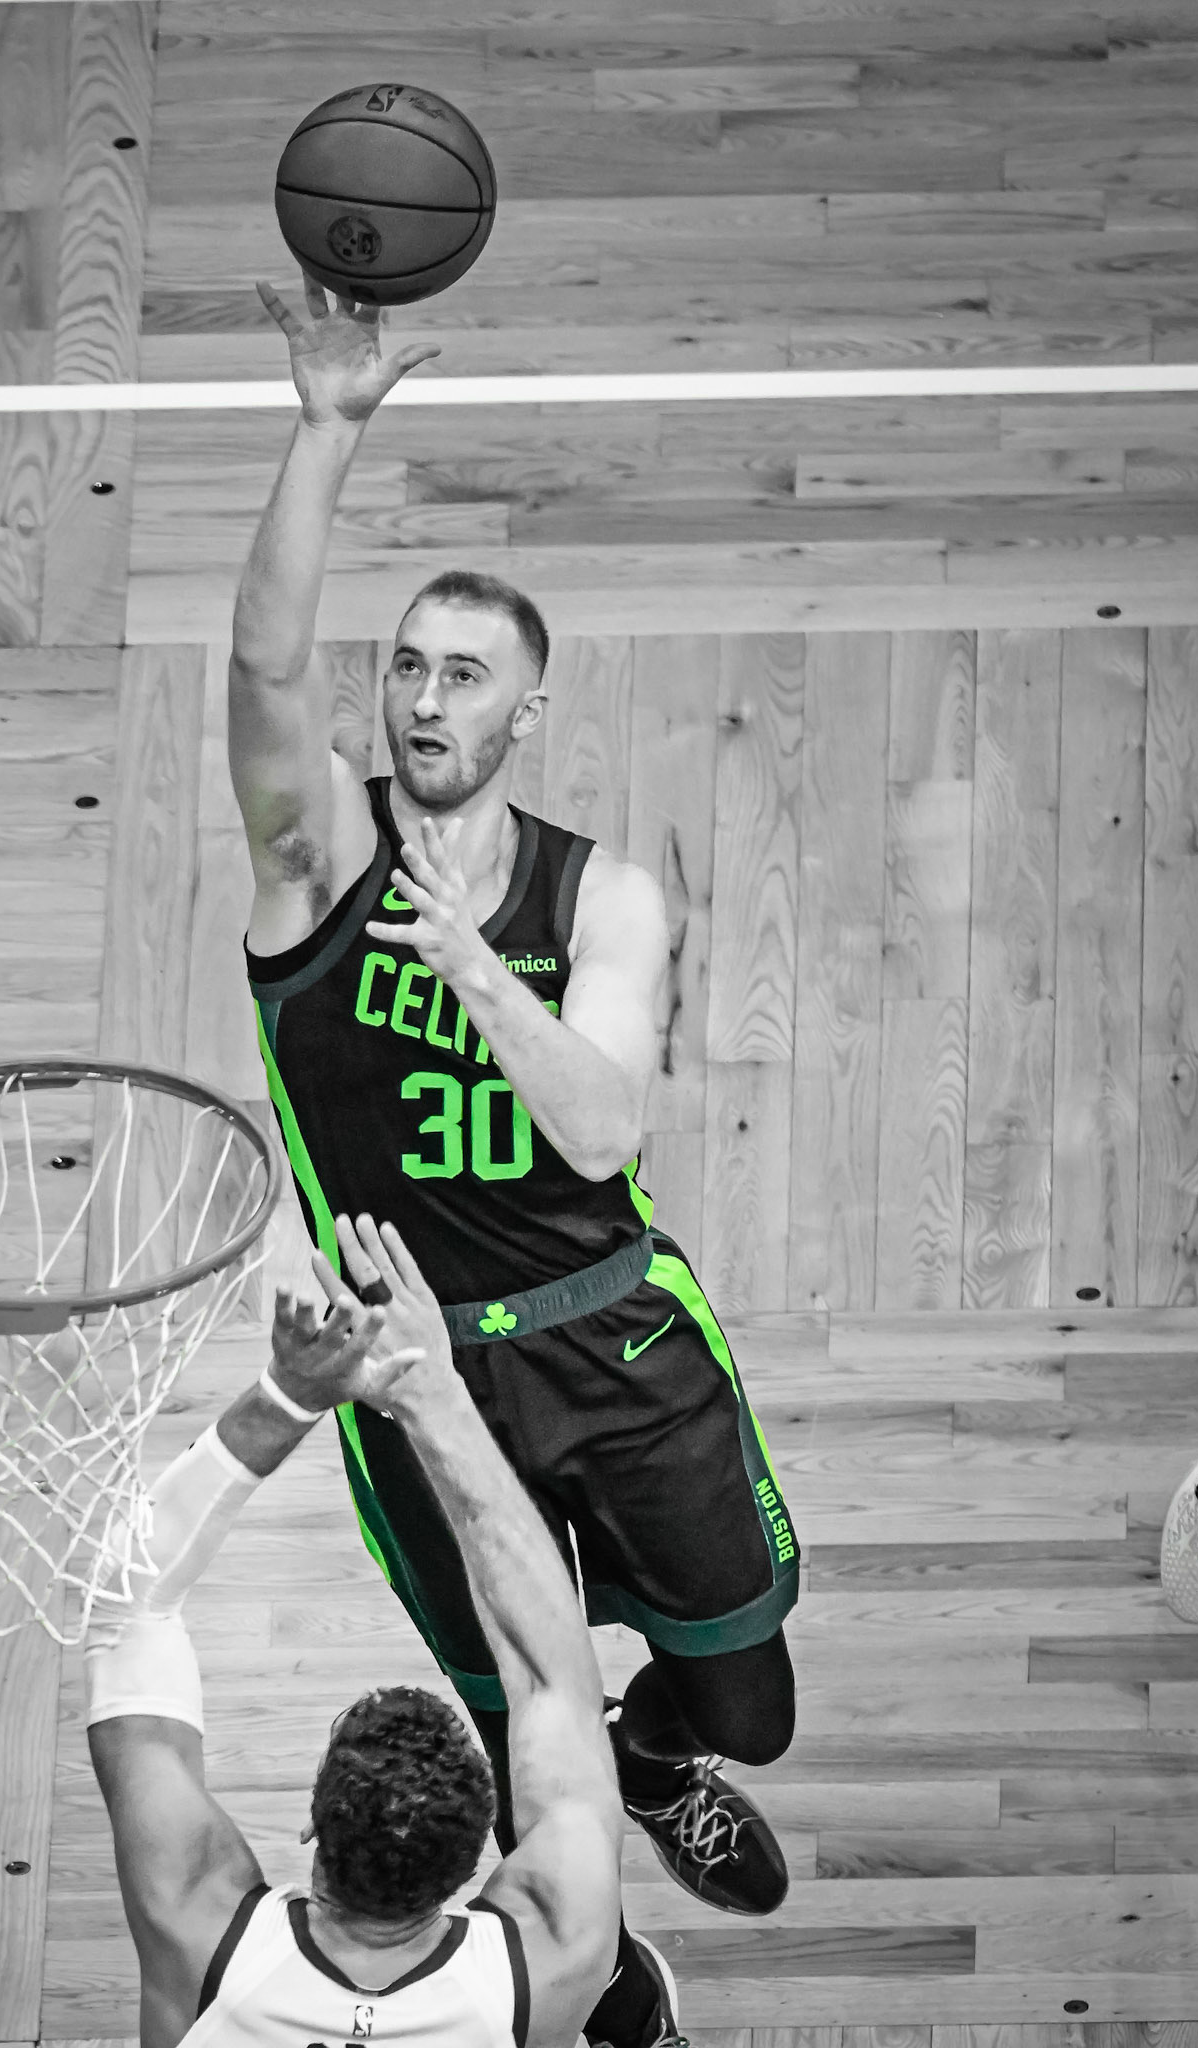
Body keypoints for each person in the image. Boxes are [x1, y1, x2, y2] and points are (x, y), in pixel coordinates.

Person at [224, 277, 801, 2025]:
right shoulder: (315, 862)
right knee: (499, 1731)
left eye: (461, 674)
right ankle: (598, 1974)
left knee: (750, 1703)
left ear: (520, 715)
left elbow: (605, 1123)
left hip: (613, 1330)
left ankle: (655, 1761)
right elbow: (259, 672)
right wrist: (326, 429)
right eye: (402, 664)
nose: (419, 696)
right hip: (423, 1375)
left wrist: (475, 968)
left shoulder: (598, 888)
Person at [87, 1213, 681, 2048]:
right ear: (486, 1860)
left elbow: (127, 1592)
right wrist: (433, 1393)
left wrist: (292, 1395)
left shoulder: (199, 1933)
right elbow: (556, 1684)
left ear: (309, 1828)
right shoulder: (548, 1957)